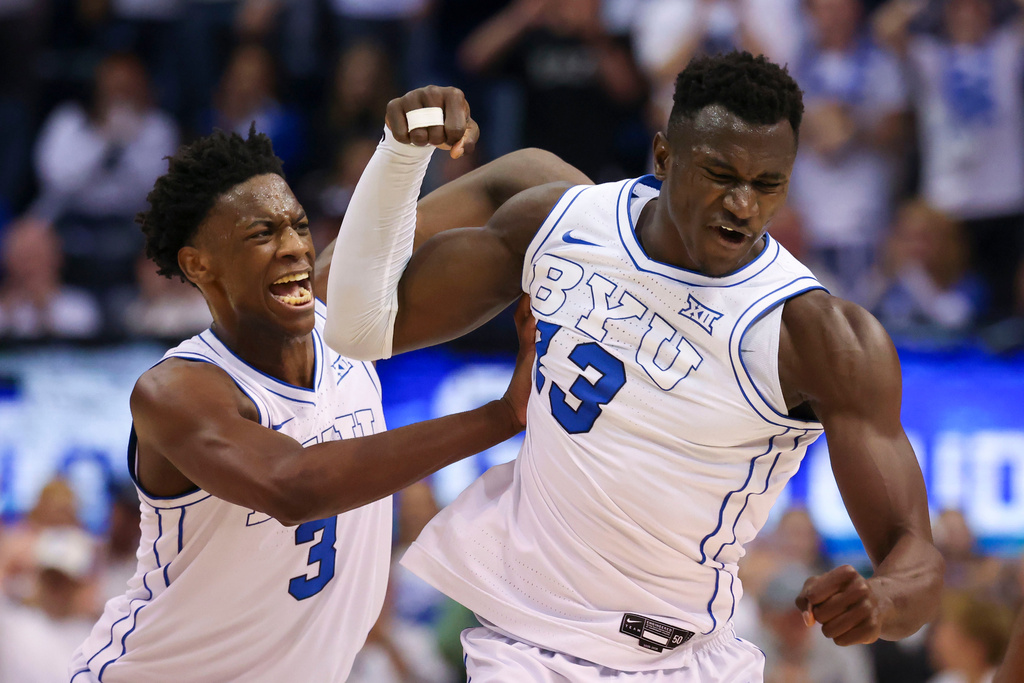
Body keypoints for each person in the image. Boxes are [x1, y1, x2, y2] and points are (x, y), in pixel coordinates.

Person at [325, 51, 944, 681]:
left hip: (686, 657)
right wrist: (401, 155)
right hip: (530, 645)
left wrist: (885, 599)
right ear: (665, 156)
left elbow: (915, 556)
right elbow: (361, 325)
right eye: (720, 173)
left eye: (767, 185)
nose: (742, 205)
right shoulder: (561, 221)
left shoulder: (818, 336)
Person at [67, 86, 588, 682]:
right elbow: (295, 487)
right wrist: (499, 418)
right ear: (198, 265)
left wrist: (623, 239)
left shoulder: (339, 314)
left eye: (296, 225)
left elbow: (520, 181)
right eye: (261, 234)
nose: (293, 247)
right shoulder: (179, 391)